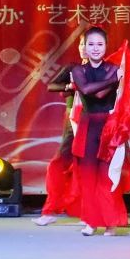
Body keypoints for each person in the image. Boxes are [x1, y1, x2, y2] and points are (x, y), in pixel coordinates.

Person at [68, 26, 130, 237]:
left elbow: (101, 95)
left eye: (100, 44)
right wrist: (114, 79)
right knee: (88, 175)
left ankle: (111, 223)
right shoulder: (79, 71)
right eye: (91, 44)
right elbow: (88, 91)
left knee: (107, 176)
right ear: (84, 47)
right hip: (87, 127)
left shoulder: (113, 68)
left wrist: (117, 77)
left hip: (109, 127)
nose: (95, 48)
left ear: (106, 46)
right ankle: (91, 222)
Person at [35, 36, 85, 226]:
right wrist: (70, 87)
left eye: (91, 44)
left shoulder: (103, 70)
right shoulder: (73, 68)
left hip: (95, 120)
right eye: (82, 44)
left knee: (90, 167)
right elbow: (52, 85)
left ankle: (90, 213)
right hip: (73, 120)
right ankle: (50, 210)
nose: (85, 48)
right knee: (59, 163)